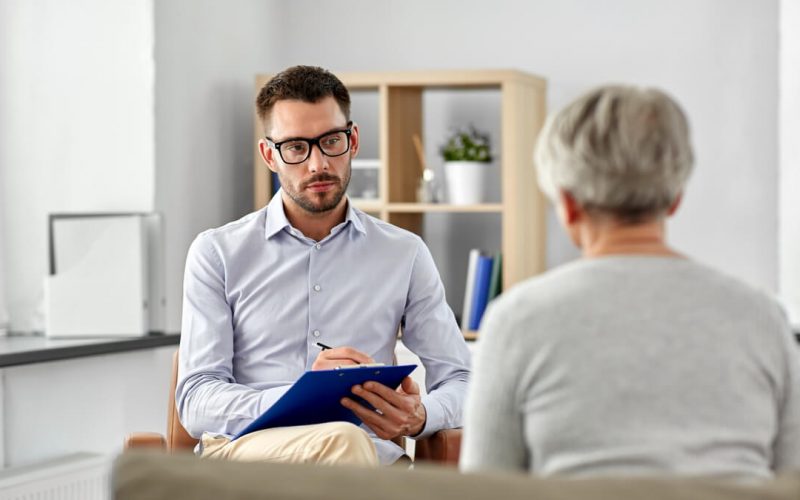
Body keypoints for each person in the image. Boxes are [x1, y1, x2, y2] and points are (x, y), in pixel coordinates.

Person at [460, 85, 800, 478]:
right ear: (675, 198)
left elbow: (486, 488)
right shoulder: (763, 317)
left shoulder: (515, 320)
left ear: (567, 204)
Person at [176, 65, 471, 467]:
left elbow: (462, 379)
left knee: (348, 444)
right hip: (249, 460)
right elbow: (195, 400)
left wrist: (421, 416)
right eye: (296, 147)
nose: (317, 164)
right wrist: (305, 394)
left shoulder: (405, 253)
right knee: (342, 441)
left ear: (352, 141)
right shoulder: (216, 253)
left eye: (330, 141)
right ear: (269, 155)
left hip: (369, 462)